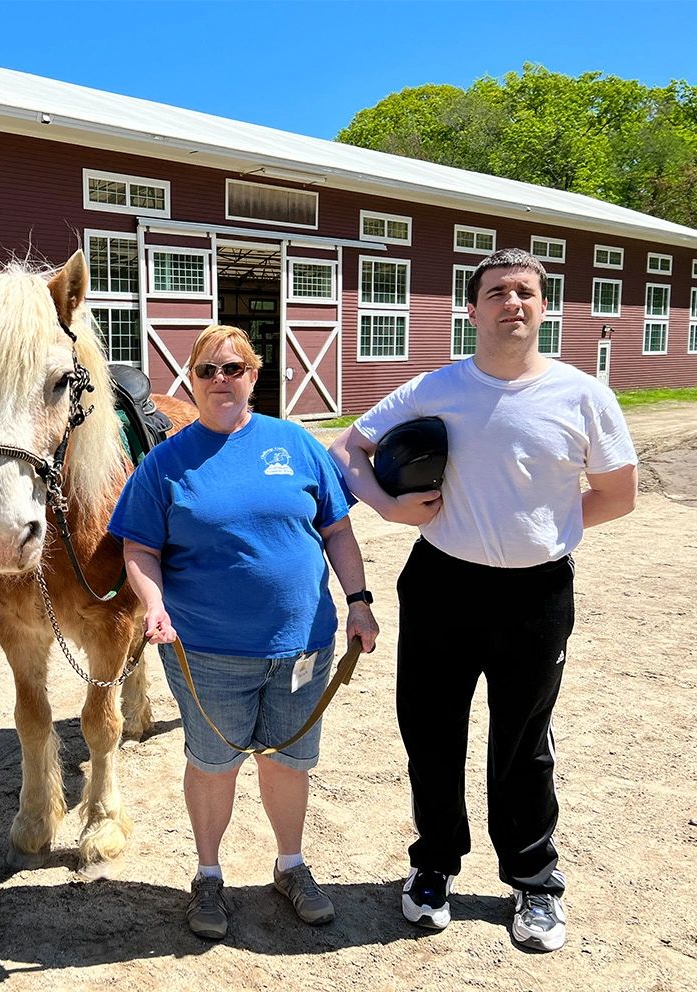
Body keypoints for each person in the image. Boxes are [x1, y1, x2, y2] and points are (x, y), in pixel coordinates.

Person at [330, 247, 636, 952]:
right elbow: (349, 447)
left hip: (537, 596)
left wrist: (543, 529)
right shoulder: (438, 386)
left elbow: (618, 495)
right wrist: (387, 508)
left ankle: (534, 882)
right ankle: (433, 867)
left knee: (523, 742)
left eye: (525, 291)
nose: (513, 303)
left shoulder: (582, 394)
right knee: (431, 734)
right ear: (473, 310)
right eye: (497, 291)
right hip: (443, 583)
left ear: (543, 305)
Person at [108, 323, 377, 940]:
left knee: (289, 761)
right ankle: (208, 875)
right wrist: (153, 604)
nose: (221, 379)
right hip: (207, 653)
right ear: (191, 382)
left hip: (302, 646)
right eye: (208, 370)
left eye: (234, 368)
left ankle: (291, 865)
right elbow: (139, 549)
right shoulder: (165, 463)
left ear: (254, 375)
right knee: (213, 764)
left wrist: (358, 601)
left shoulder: (296, 444)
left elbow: (337, 530)